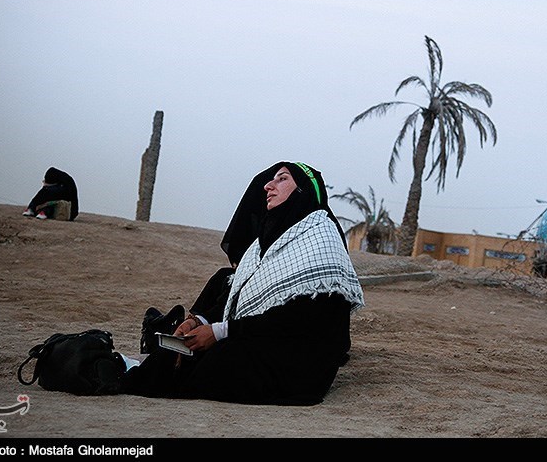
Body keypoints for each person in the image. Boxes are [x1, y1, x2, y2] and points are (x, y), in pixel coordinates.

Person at [119, 161, 365, 405]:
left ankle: (134, 377)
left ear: (304, 191)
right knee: (187, 349)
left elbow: (303, 317)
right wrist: (199, 321)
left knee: (222, 357)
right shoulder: (268, 241)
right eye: (272, 179)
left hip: (300, 364)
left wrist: (220, 331)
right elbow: (244, 296)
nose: (268, 186)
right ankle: (126, 372)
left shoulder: (320, 238)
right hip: (267, 338)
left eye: (282, 179)